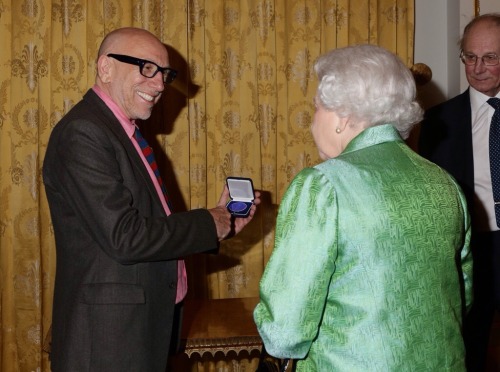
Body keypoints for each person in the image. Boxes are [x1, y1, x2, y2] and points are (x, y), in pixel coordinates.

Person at [42, 27, 260, 372]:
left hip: (135, 332)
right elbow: (125, 237)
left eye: (164, 74)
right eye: (146, 68)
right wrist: (208, 221)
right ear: (105, 68)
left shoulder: (123, 133)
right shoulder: (84, 132)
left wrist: (222, 223)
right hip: (108, 342)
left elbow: (147, 227)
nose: (159, 85)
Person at [253, 44, 472, 371]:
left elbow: (285, 330)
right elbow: (462, 296)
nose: (313, 122)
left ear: (342, 115)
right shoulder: (446, 184)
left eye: (316, 108)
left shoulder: (324, 185)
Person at [419, 13, 500, 371]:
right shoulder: (438, 122)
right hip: (472, 251)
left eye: (491, 57)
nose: (478, 68)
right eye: (470, 57)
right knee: (472, 346)